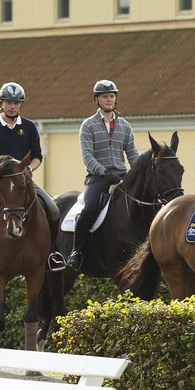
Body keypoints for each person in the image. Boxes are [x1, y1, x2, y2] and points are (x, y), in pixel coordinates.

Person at [0, 81, 67, 272]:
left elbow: (37, 157)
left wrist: (29, 170)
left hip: (23, 179)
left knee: (53, 209)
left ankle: (53, 253)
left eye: (16, 103)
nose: (12, 106)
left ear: (20, 105)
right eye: (8, 102)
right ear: (1, 103)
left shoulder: (29, 127)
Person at [65, 79, 140, 271]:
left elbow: (132, 154)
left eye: (112, 96)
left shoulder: (124, 126)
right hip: (98, 178)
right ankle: (76, 252)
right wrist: (104, 172)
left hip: (122, 176)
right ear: (97, 100)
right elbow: (87, 156)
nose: (109, 100)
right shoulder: (88, 125)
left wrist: (138, 172)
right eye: (105, 97)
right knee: (89, 208)